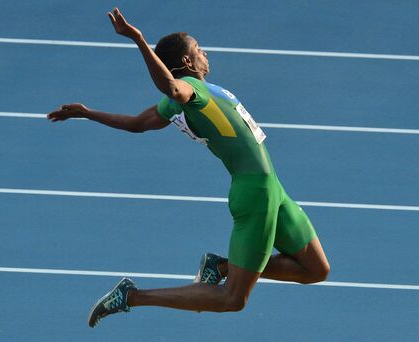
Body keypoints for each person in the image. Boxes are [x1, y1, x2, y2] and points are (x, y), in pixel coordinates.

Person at [48, 8, 330, 328]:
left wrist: (89, 113)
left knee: (316, 270)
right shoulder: (188, 91)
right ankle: (133, 296)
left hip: (273, 189)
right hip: (255, 193)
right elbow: (170, 87)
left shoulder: (202, 93)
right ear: (185, 63)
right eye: (197, 49)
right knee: (232, 299)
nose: (204, 52)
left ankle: (222, 266)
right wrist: (139, 40)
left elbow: (138, 123)